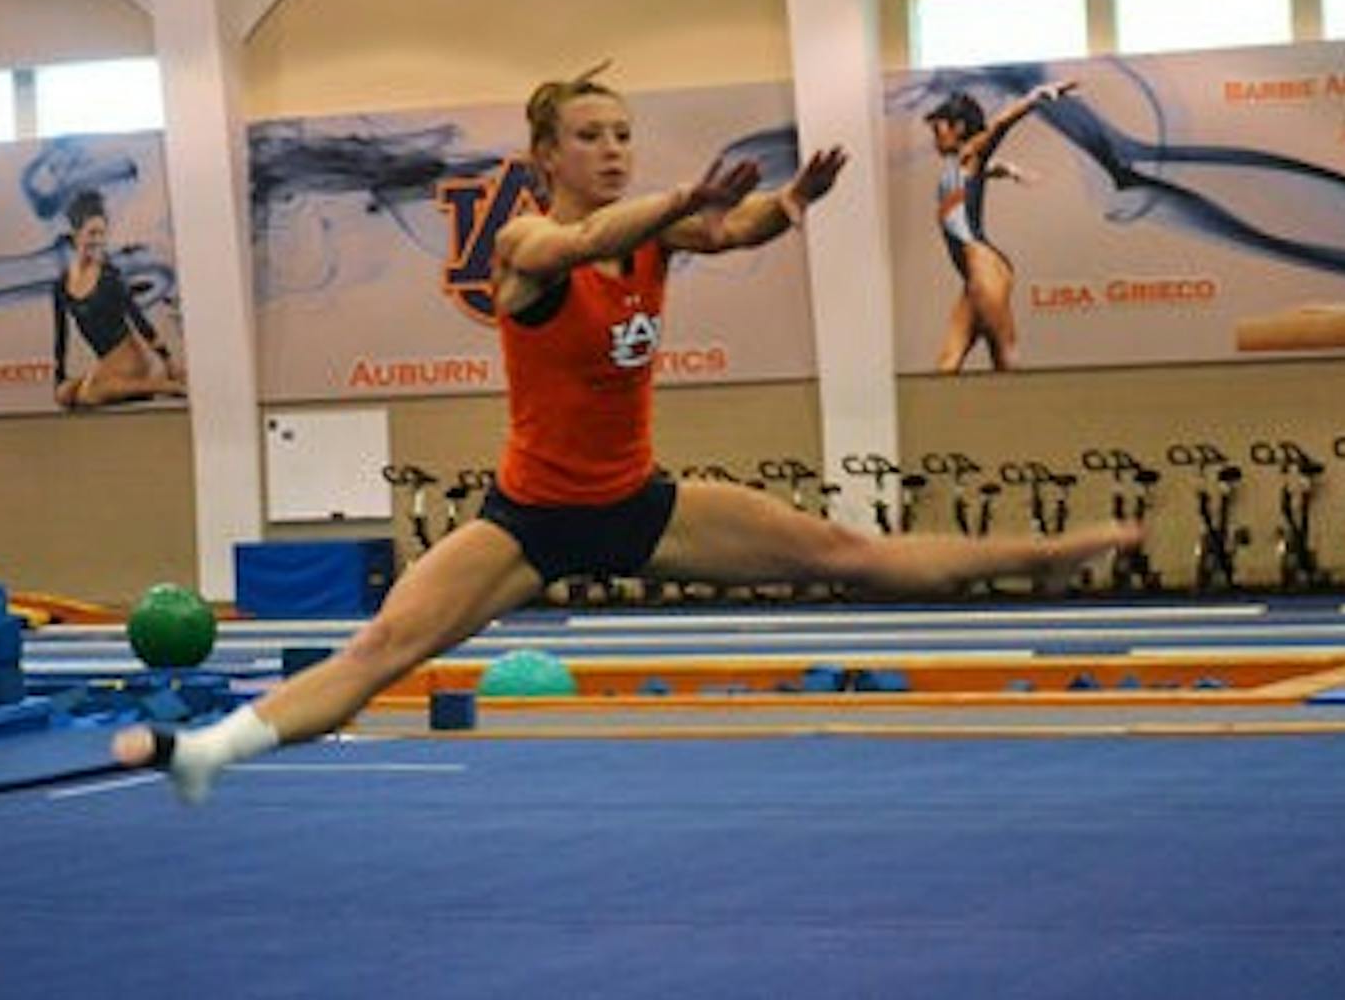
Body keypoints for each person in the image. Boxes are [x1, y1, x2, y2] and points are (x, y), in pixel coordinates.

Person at [114, 65, 1139, 802]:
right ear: (544, 156)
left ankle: (1047, 553)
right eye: (591, 137)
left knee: (849, 552)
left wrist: (791, 201)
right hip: (529, 523)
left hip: (639, 504)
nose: (612, 150)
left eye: (623, 136)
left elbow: (736, 229)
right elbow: (590, 237)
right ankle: (212, 752)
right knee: (382, 649)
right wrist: (673, 203)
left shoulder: (663, 227)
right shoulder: (524, 242)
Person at [925, 81, 1073, 372]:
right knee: (946, 366)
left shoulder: (971, 151)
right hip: (973, 277)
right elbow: (982, 171)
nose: (934, 138)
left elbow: (999, 125)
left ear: (958, 127)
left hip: (985, 266)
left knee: (1007, 360)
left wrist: (1035, 97)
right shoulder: (962, 166)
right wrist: (1008, 170)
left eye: (938, 129)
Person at [52, 189, 186, 409]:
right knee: (64, 395)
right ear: (77, 236)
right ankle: (122, 386)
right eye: (92, 233)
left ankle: (163, 386)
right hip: (107, 361)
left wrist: (168, 360)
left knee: (89, 395)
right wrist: (59, 377)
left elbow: (139, 320)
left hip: (130, 357)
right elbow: (60, 334)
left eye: (102, 234)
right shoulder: (61, 285)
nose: (98, 241)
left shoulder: (109, 277)